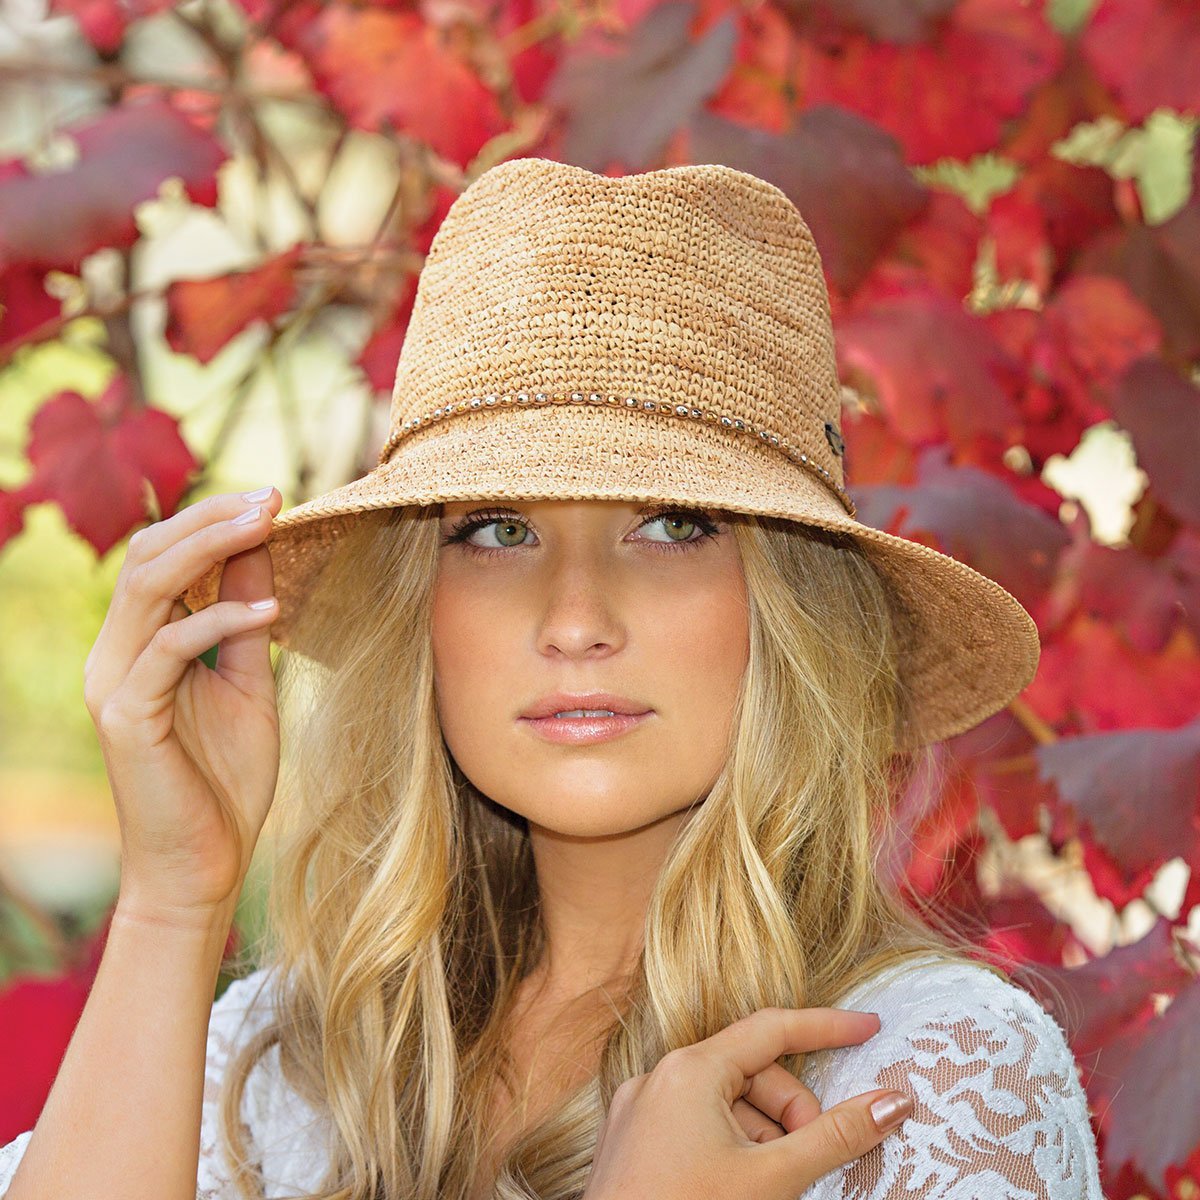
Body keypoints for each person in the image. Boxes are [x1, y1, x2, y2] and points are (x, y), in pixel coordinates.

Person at [0, 158, 1103, 1200]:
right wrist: (171, 902)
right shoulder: (277, 1060)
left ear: (792, 608)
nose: (576, 621)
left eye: (676, 525)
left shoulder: (934, 1079)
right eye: (497, 529)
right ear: (418, 613)